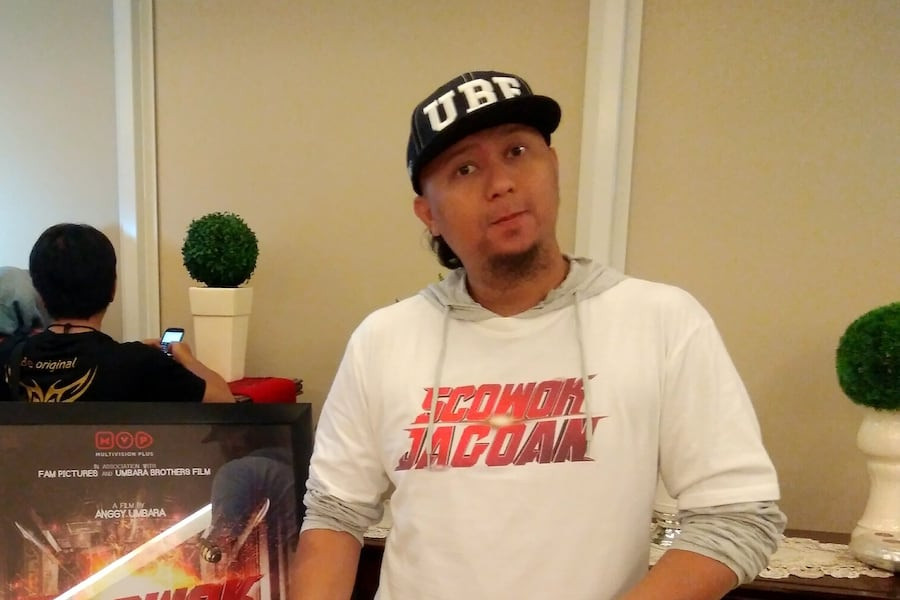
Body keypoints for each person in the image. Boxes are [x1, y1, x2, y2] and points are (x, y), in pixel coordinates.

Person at [293, 70, 785, 599]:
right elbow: (334, 516)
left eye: (517, 151)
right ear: (428, 213)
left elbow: (736, 516)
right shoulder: (382, 340)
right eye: (465, 168)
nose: (501, 183)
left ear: (553, 166)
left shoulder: (662, 321)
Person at [0, 223, 233, 403]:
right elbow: (223, 400)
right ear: (112, 288)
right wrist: (186, 358)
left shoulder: (8, 356)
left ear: (39, 293)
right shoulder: (141, 364)